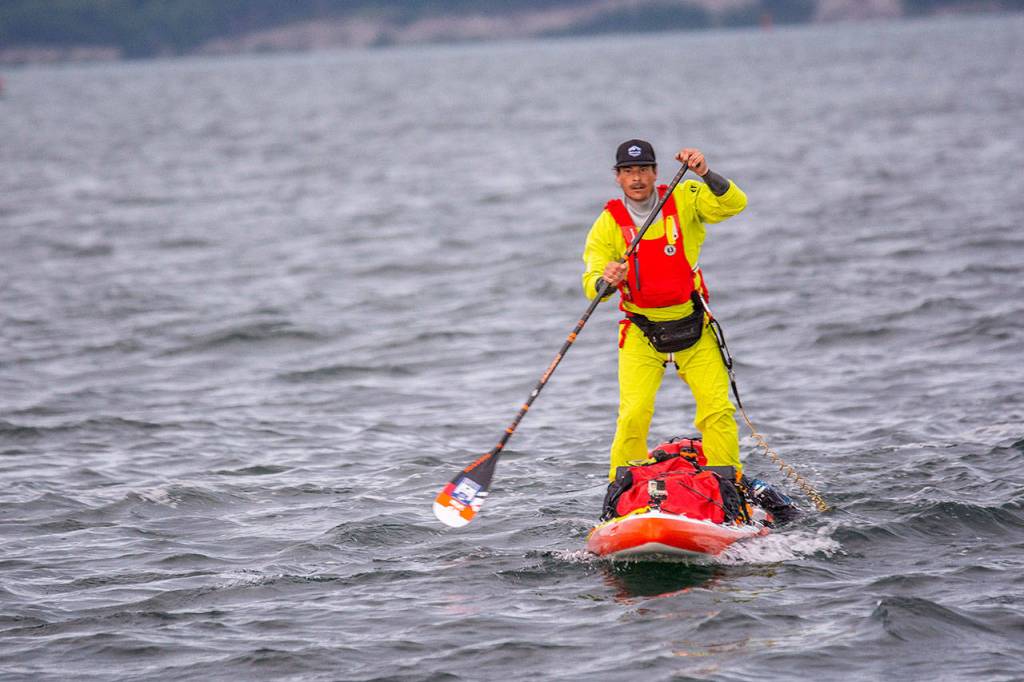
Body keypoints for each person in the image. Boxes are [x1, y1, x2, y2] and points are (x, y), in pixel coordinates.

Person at [582, 139, 748, 480]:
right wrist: (607, 280)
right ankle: (622, 488)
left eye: (643, 169)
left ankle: (728, 486)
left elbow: (734, 205)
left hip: (694, 327)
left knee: (717, 411)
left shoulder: (685, 196)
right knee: (633, 414)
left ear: (655, 173)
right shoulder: (608, 224)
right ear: (618, 178)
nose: (637, 178)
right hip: (642, 334)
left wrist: (705, 172)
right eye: (628, 171)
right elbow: (592, 286)